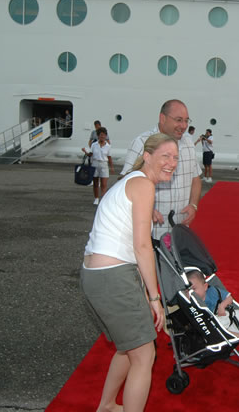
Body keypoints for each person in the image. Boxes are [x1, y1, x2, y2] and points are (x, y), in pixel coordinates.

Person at [80, 133, 176, 412]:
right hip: (112, 276)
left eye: (175, 158)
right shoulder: (143, 185)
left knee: (128, 347)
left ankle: (108, 405)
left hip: (99, 275)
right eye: (165, 156)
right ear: (147, 156)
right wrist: (155, 297)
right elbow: (143, 245)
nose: (171, 163)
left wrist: (145, 293)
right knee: (145, 355)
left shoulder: (130, 182)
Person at [121, 99, 202, 238]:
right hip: (150, 231)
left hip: (179, 231)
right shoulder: (142, 143)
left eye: (186, 120)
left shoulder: (188, 143)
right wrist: (145, 208)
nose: (183, 126)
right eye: (178, 120)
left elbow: (195, 178)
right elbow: (124, 183)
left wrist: (193, 205)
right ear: (162, 118)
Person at [82, 127, 114, 205]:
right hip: (95, 163)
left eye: (103, 135)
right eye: (100, 135)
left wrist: (111, 167)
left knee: (103, 184)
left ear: (106, 136)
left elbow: (109, 157)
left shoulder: (108, 146)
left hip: (104, 164)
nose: (102, 137)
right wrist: (85, 152)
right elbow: (91, 154)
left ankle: (103, 198)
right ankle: (96, 198)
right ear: (98, 136)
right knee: (96, 183)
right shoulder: (94, 145)